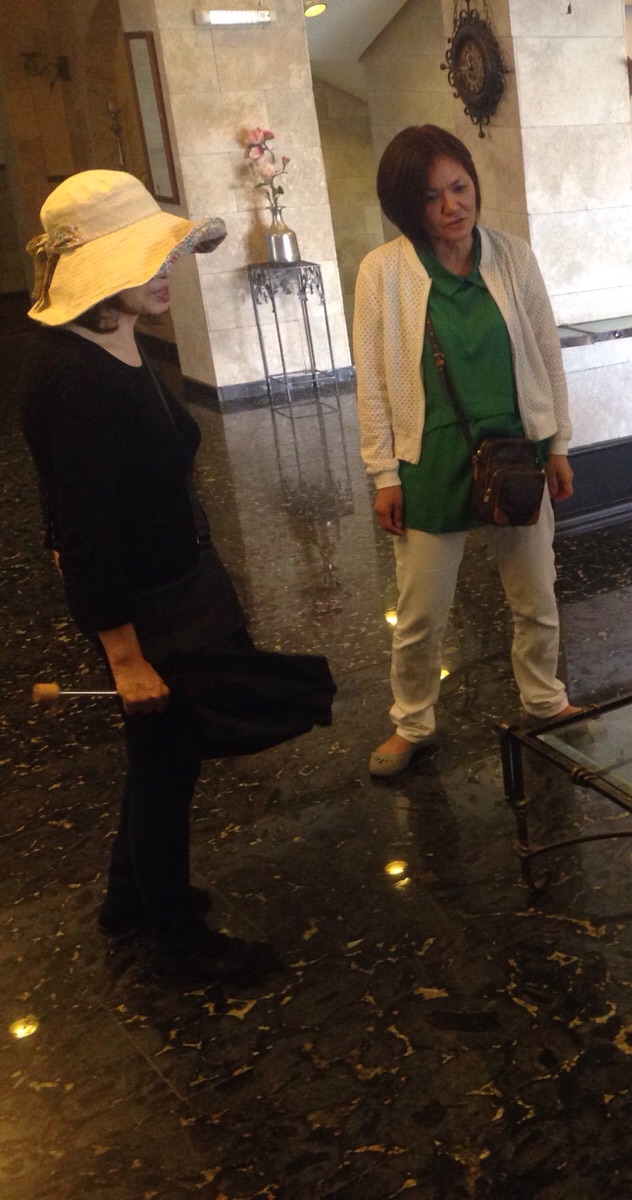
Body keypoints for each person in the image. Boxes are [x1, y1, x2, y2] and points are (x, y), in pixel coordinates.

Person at [20, 170, 280, 987]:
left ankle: (128, 900)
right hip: (145, 609)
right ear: (98, 272)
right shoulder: (78, 378)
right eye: (144, 258)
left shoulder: (110, 341)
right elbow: (84, 531)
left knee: (159, 756)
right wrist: (125, 657)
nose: (166, 269)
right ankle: (177, 943)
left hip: (169, 586)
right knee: (167, 766)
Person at [354, 125, 579, 777]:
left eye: (460, 187)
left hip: (515, 450)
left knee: (536, 595)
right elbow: (373, 381)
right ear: (407, 206)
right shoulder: (382, 271)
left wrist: (558, 443)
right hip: (429, 459)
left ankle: (545, 699)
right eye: (432, 197)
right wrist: (383, 474)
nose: (452, 206)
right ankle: (412, 721)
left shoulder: (512, 257)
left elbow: (547, 353)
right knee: (421, 613)